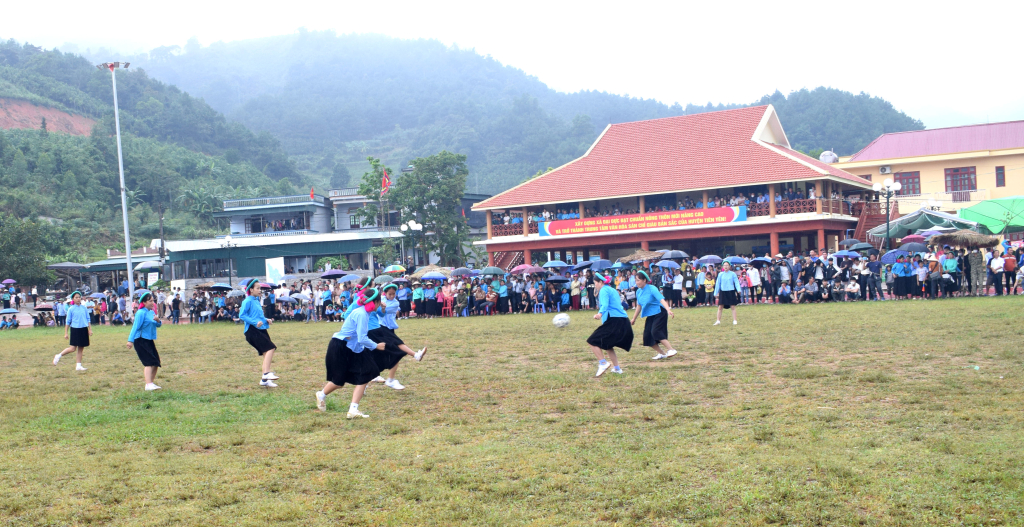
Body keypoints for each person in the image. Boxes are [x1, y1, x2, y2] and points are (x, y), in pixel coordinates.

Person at [315, 287, 387, 418]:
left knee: (367, 372)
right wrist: (376, 346)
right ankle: (322, 395)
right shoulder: (361, 314)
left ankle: (353, 410)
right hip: (340, 346)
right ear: (374, 302)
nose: (381, 303)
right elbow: (362, 338)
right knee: (338, 381)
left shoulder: (364, 313)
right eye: (379, 301)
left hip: (351, 347)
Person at [367, 284, 427, 390]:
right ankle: (415, 355)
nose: (392, 296)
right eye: (389, 294)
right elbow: (378, 310)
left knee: (390, 350)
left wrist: (380, 304)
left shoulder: (395, 303)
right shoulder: (381, 300)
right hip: (381, 328)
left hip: (389, 328)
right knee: (398, 346)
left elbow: (382, 310)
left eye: (393, 294)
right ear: (385, 293)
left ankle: (371, 379)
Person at [586, 273, 633, 377]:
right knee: (607, 345)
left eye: (595, 283)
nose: (595, 286)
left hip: (615, 320)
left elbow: (605, 305)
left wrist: (600, 313)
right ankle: (617, 368)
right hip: (622, 319)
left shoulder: (603, 290)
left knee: (591, 341)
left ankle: (603, 363)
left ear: (601, 282)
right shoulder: (612, 289)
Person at [238, 278, 280, 387]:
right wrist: (254, 322)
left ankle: (264, 380)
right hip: (252, 331)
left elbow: (258, 316)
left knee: (267, 352)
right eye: (258, 288)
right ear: (251, 290)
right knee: (271, 348)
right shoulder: (247, 301)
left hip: (261, 329)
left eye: (260, 288)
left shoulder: (256, 300)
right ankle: (266, 374)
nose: (260, 290)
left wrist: (266, 319)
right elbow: (242, 315)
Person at [629, 270, 677, 361]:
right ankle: (662, 354)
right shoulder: (638, 292)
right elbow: (639, 306)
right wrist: (633, 319)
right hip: (651, 315)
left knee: (656, 331)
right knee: (647, 336)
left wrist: (668, 310)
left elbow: (661, 300)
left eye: (638, 280)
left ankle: (671, 350)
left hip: (660, 312)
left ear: (644, 280)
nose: (637, 282)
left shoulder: (652, 288)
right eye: (636, 280)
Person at [126, 292, 164, 391]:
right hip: (141, 340)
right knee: (148, 362)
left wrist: (158, 321)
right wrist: (130, 340)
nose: (152, 302)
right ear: (144, 302)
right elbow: (135, 327)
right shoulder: (140, 313)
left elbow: (158, 325)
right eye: (150, 301)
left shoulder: (151, 312)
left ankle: (151, 383)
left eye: (153, 300)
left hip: (149, 340)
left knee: (156, 362)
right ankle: (148, 384)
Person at [54, 291, 92, 371]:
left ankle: (78, 365)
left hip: (83, 329)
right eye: (76, 297)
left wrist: (90, 329)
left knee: (81, 348)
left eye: (79, 297)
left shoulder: (84, 308)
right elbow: (67, 322)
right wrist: (66, 333)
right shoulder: (71, 309)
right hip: (75, 329)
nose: (78, 299)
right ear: (73, 299)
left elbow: (88, 319)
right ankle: (59, 355)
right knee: (73, 348)